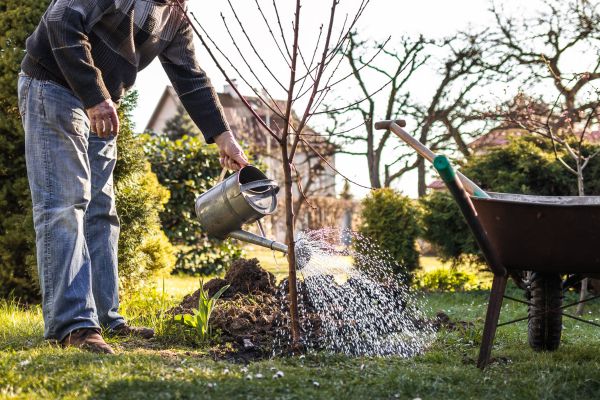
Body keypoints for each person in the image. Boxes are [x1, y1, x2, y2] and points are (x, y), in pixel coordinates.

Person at [17, 0, 248, 354]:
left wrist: (224, 136)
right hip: (53, 85)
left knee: (101, 211)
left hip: (101, 100)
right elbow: (60, 22)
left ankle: (107, 319)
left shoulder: (175, 16)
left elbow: (191, 77)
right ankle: (73, 325)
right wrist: (94, 98)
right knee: (65, 204)